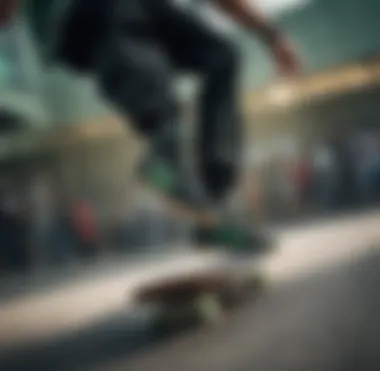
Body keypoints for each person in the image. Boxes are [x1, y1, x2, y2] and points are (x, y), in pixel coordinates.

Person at [1, 0, 300, 251]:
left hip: (148, 16)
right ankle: (164, 136)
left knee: (223, 56)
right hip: (87, 18)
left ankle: (213, 200)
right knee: (121, 11)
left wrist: (272, 36)